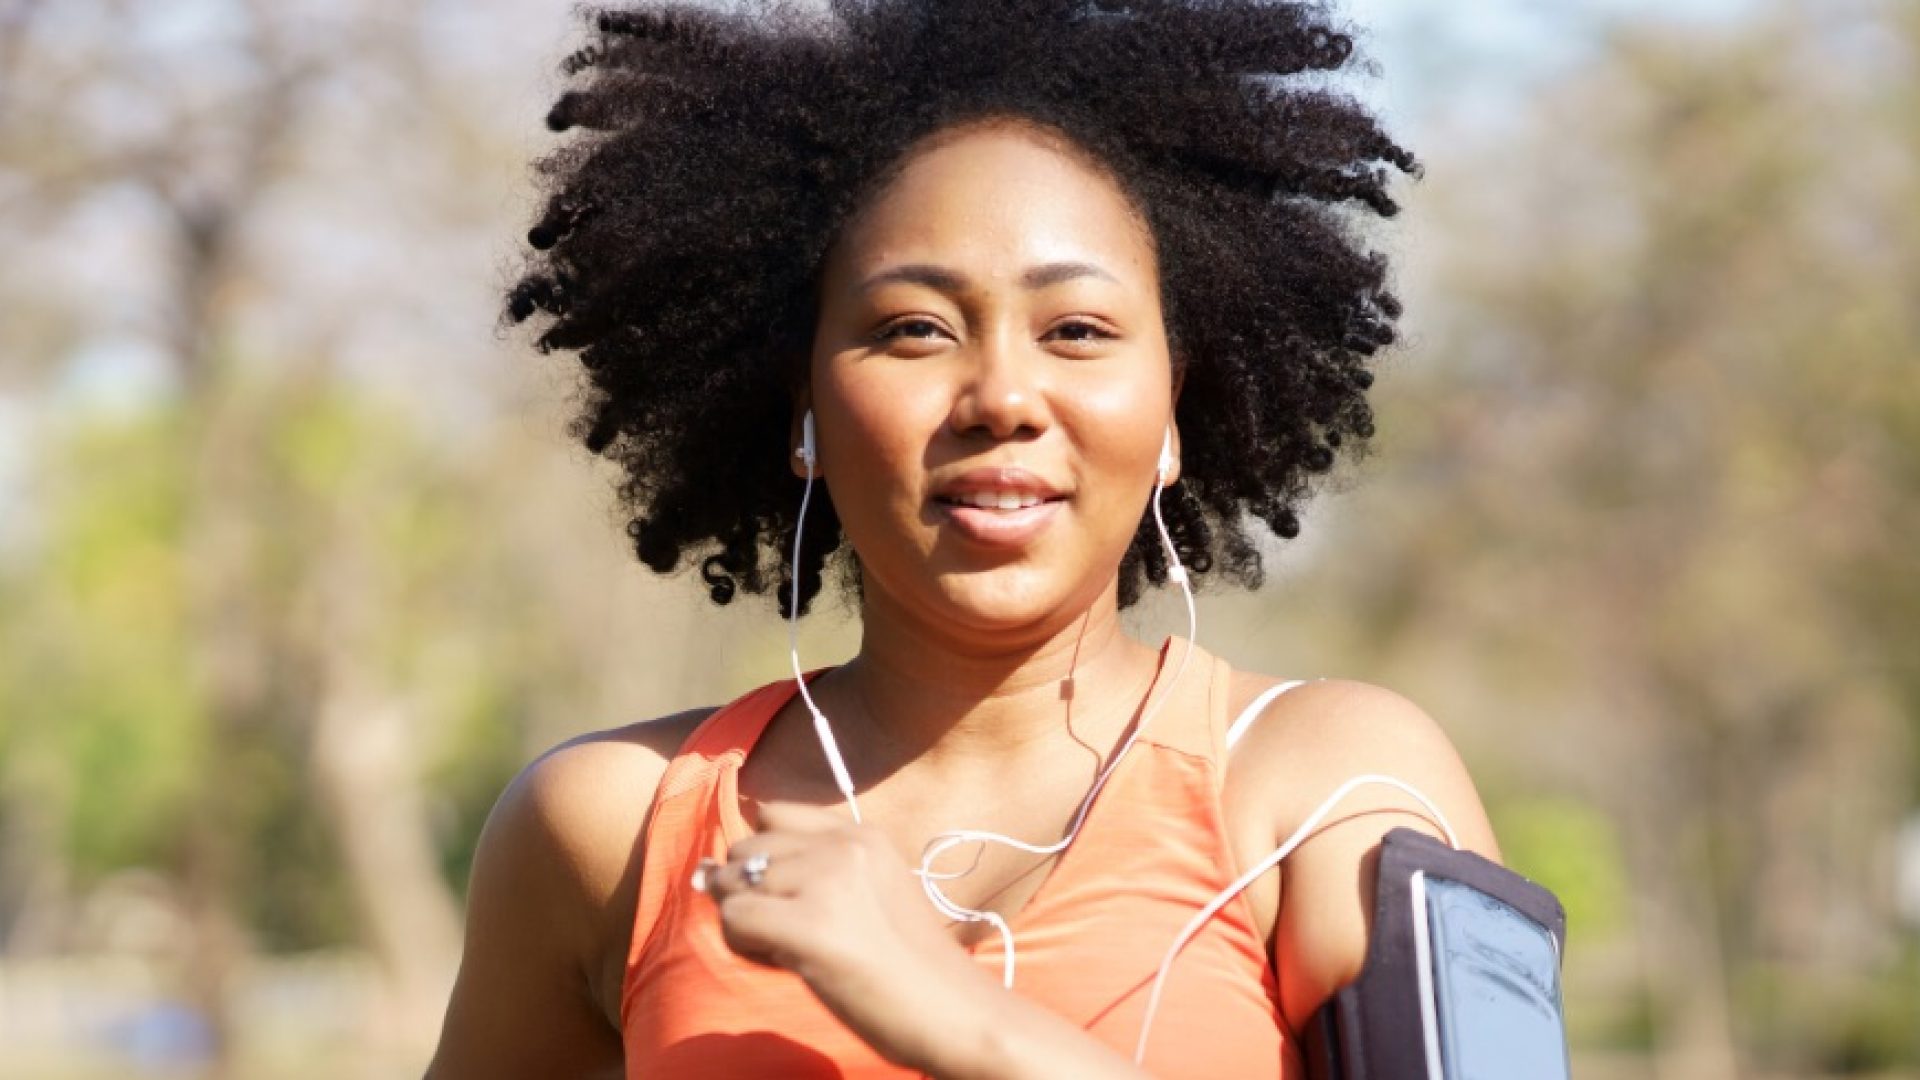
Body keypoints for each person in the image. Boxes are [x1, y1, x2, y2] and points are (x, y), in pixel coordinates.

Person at [428, 1, 1501, 1077]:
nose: (1002, 398)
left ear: (1175, 410)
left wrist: (954, 1015)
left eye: (1077, 331)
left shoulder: (1329, 786)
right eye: (915, 329)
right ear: (801, 410)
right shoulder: (609, 828)